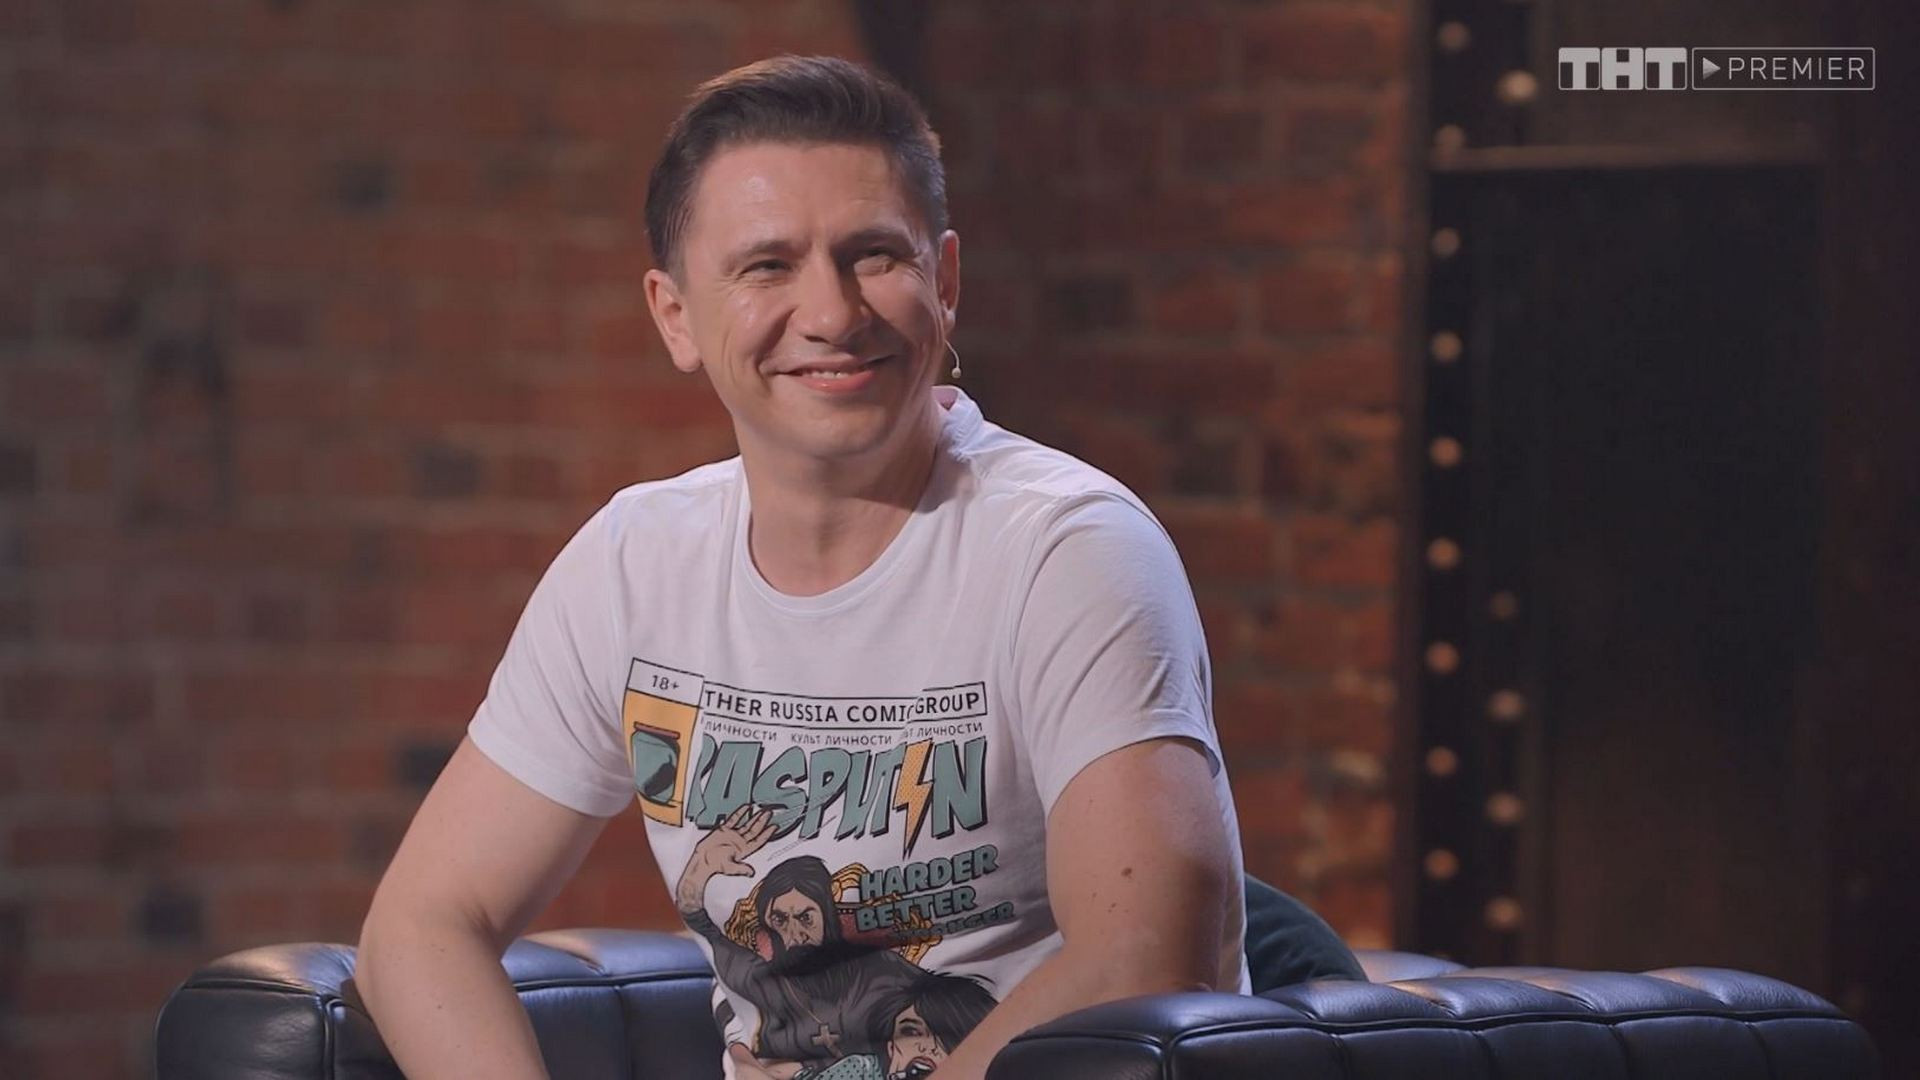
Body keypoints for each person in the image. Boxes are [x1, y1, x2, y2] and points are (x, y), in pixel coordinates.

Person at [356, 54, 1249, 1080]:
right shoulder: (635, 565)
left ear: (946, 283)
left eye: (873, 255)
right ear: (675, 316)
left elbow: (1147, 958)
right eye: (767, 266)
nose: (831, 312)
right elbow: (423, 923)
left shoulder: (1066, 550)